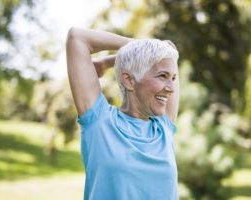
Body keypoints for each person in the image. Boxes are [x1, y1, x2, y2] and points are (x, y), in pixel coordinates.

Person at [66, 27, 180, 200]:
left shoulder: (164, 127)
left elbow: (169, 49)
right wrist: (138, 49)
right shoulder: (99, 122)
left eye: (173, 78)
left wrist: (109, 62)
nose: (171, 88)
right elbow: (77, 37)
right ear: (129, 80)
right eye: (163, 76)